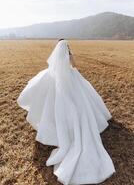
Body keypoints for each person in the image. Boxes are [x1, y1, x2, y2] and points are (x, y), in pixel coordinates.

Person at [17, 39, 115, 185]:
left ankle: (53, 125)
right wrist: (71, 57)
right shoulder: (69, 55)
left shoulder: (51, 69)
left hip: (58, 80)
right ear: (67, 47)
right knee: (80, 103)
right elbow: (74, 66)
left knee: (53, 103)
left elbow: (54, 67)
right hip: (71, 78)